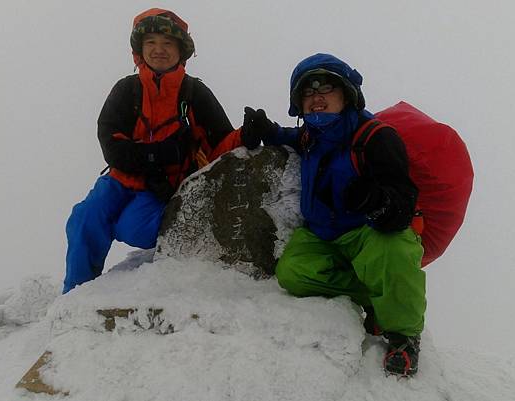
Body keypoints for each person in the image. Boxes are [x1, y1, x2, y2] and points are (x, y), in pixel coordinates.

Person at [240, 53, 425, 377]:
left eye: (326, 88)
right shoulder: (311, 135)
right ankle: (376, 296)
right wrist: (268, 131)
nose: (316, 98)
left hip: (367, 232)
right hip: (322, 235)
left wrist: (375, 200)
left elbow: (403, 205)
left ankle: (404, 335)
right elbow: (291, 136)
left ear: (348, 95)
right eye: (308, 93)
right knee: (293, 273)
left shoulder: (377, 138)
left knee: (394, 251)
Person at [63, 8, 241, 294]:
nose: (159, 50)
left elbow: (220, 143)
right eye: (151, 43)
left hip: (162, 188)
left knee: (135, 229)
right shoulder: (126, 90)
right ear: (139, 50)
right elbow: (111, 143)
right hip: (119, 180)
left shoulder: (194, 93)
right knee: (85, 219)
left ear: (181, 51)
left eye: (168, 43)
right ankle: (75, 294)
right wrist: (158, 155)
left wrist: (249, 135)